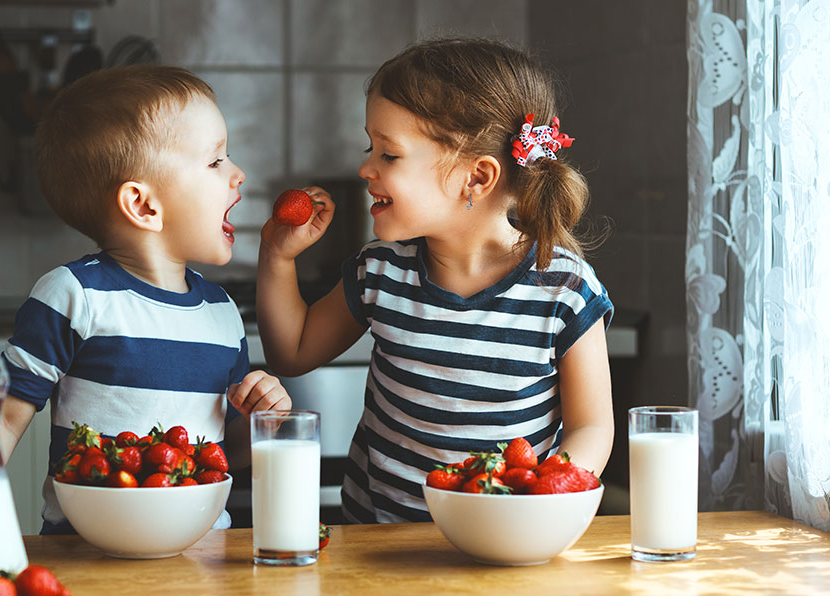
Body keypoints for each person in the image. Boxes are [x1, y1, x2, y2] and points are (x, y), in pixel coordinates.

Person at [251, 37, 613, 523]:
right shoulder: (380, 270)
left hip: (498, 539)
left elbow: (593, 428)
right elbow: (290, 353)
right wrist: (277, 258)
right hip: (376, 543)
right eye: (370, 147)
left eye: (389, 155)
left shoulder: (564, 290)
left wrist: (543, 500)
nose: (365, 168)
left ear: (477, 178)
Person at [0, 65, 291, 534]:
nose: (238, 175)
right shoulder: (74, 297)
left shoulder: (221, 313)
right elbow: (2, 420)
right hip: (86, 558)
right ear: (144, 206)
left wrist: (262, 424)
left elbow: (222, 454)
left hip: (203, 557)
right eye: (215, 161)